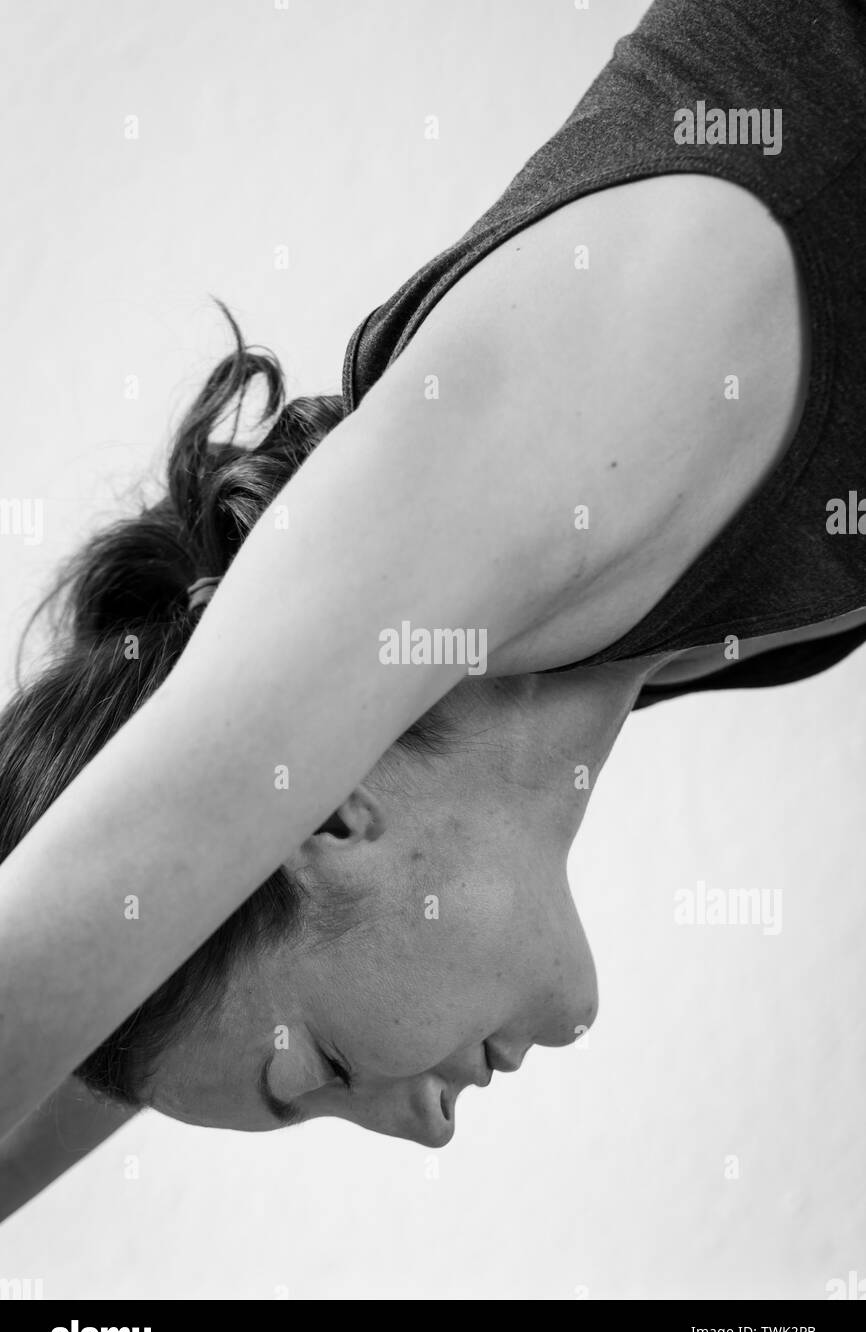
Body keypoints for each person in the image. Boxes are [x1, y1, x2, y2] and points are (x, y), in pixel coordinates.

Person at [3, 0, 866, 1218]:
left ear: (328, 814)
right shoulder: (584, 630)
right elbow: (146, 995)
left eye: (328, 1070)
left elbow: (70, 933)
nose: (420, 1128)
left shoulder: (466, 493)